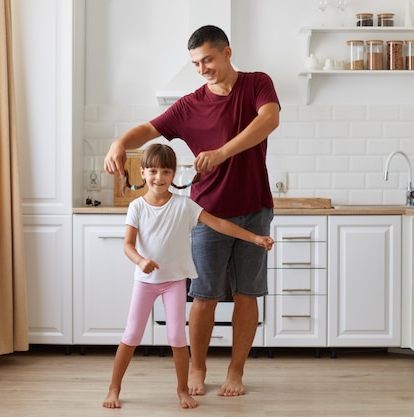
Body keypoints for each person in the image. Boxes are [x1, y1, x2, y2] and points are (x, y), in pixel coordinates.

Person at [103, 25, 280, 398]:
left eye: (208, 60)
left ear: (227, 53)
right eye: (196, 63)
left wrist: (221, 152)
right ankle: (197, 367)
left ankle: (236, 372)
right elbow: (148, 129)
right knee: (204, 295)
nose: (202, 69)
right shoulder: (189, 104)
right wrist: (120, 142)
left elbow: (269, 120)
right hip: (206, 213)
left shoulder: (257, 83)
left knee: (248, 294)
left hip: (255, 208)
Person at [102, 144, 274, 410]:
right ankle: (114, 388)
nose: (159, 177)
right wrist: (140, 261)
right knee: (132, 335)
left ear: (174, 175)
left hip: (173, 284)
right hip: (145, 283)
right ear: (143, 171)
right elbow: (127, 244)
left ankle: (182, 390)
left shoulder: (185, 206)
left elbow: (219, 223)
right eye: (153, 171)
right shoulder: (136, 207)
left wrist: (254, 237)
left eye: (166, 171)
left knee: (177, 339)